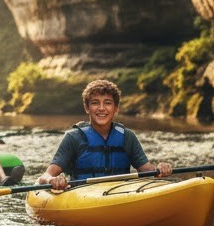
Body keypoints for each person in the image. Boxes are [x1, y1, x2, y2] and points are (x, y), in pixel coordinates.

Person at [36, 79, 173, 189]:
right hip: (82, 198)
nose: (101, 108)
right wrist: (54, 179)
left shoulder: (127, 136)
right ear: (87, 108)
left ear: (116, 108)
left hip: (119, 195)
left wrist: (160, 170)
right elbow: (45, 176)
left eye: (107, 103)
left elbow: (147, 171)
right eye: (95, 103)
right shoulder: (74, 138)